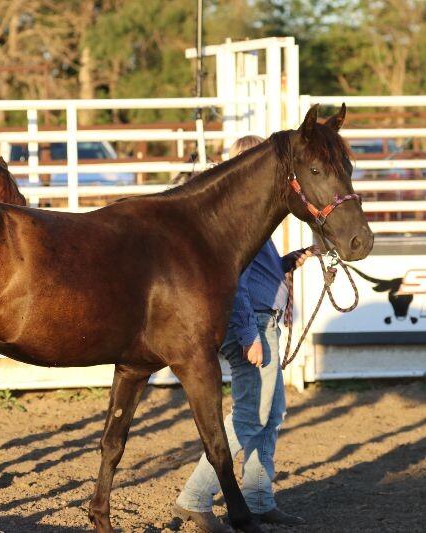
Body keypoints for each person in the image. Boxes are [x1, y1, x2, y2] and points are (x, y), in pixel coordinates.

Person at [173, 135, 314, 532]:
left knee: (271, 415)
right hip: (254, 325)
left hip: (262, 321)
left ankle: (257, 496)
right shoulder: (240, 223)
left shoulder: (251, 218)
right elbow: (232, 281)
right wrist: (249, 334)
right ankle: (195, 495)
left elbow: (249, 275)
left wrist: (286, 262)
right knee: (252, 417)